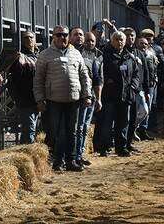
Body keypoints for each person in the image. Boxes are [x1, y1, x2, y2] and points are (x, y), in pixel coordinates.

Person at [34, 25, 92, 172]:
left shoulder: (76, 54)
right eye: (58, 35)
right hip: (54, 100)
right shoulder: (45, 55)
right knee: (56, 132)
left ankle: (71, 160)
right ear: (53, 37)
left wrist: (87, 95)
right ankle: (57, 161)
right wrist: (40, 99)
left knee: (72, 131)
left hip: (73, 99)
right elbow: (38, 79)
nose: (62, 37)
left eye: (65, 35)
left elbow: (84, 76)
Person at [97, 31, 136, 157]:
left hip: (126, 95)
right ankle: (104, 147)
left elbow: (136, 73)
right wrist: (108, 81)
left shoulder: (129, 56)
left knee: (123, 123)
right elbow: (102, 72)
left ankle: (121, 148)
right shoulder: (106, 55)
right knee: (107, 122)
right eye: (117, 39)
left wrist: (133, 87)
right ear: (112, 41)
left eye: (121, 39)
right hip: (110, 95)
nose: (120, 42)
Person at [71, 28, 102, 166]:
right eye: (76, 34)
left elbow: (97, 78)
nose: (79, 37)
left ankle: (80, 154)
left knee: (84, 127)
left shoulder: (91, 55)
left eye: (81, 35)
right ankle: (74, 156)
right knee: (77, 128)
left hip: (90, 97)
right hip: (77, 97)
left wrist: (98, 98)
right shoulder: (70, 53)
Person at [4, 31, 40, 144]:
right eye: (25, 37)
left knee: (34, 129)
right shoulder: (18, 57)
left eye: (31, 37)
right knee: (29, 129)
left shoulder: (39, 56)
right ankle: (27, 151)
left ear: (35, 40)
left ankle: (25, 150)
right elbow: (11, 77)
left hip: (39, 97)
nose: (29, 39)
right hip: (25, 98)